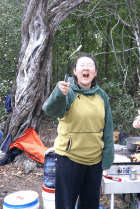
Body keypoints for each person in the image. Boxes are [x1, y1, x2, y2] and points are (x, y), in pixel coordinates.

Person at [42, 53, 114, 209]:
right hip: (69, 159)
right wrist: (58, 94)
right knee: (65, 205)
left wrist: (107, 157)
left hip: (95, 161)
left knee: (90, 205)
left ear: (95, 72)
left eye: (90, 65)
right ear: (75, 71)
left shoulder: (102, 96)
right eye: (82, 65)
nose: (86, 68)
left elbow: (108, 128)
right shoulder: (68, 92)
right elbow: (51, 110)